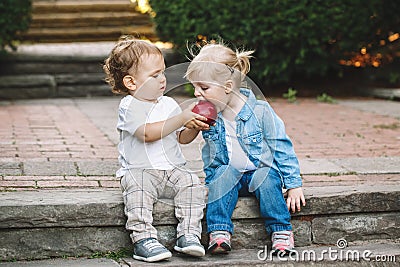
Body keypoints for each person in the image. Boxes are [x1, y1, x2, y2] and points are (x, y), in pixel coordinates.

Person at [185, 42, 306, 255]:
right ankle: (219, 232)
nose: (196, 93)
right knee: (221, 177)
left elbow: (282, 147)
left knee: (268, 179)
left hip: (258, 171)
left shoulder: (260, 111)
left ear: (228, 86)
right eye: (195, 87)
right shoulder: (208, 113)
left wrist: (294, 184)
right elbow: (184, 139)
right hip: (227, 172)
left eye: (203, 88)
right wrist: (190, 124)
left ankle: (281, 231)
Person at [103, 37, 210, 262]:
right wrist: (182, 117)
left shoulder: (168, 103)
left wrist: (194, 126)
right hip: (140, 171)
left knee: (192, 184)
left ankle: (188, 235)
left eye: (162, 72)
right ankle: (143, 239)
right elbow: (147, 133)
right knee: (137, 190)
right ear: (131, 83)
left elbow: (182, 138)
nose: (162, 79)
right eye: (154, 75)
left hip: (172, 169)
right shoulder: (130, 106)